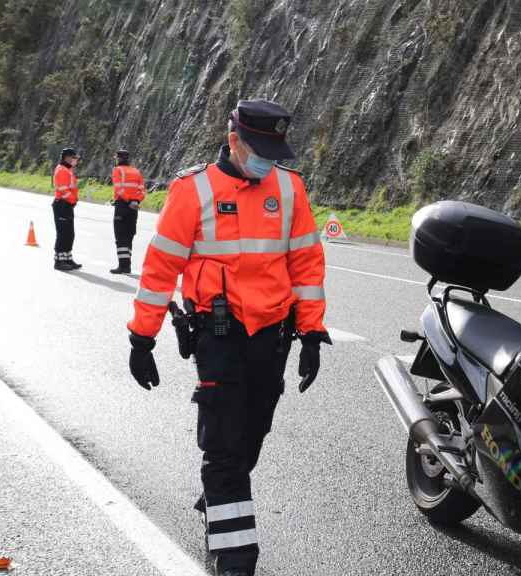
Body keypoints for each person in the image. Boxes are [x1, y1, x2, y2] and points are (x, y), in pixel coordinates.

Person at [126, 99, 329, 576]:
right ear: (233, 138)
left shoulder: (290, 188)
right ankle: (234, 558)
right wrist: (142, 337)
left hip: (272, 334)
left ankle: (220, 495)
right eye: (259, 149)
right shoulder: (193, 190)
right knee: (222, 444)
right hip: (217, 333)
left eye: (274, 152)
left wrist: (312, 331)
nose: (267, 161)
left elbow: (306, 264)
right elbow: (160, 272)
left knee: (252, 432)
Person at [110, 149, 146, 274]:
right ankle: (127, 265)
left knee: (120, 236)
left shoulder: (117, 170)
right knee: (129, 235)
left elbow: (119, 189)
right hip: (134, 207)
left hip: (122, 205)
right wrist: (136, 201)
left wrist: (128, 201)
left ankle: (123, 266)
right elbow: (142, 190)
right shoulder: (136, 171)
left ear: (118, 158)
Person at [53, 148, 82, 271]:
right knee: (63, 234)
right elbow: (63, 190)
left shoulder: (68, 170)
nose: (75, 160)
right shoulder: (61, 170)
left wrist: (73, 201)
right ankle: (59, 261)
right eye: (74, 158)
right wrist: (72, 201)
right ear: (67, 158)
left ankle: (67, 259)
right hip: (62, 205)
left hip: (68, 205)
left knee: (70, 234)